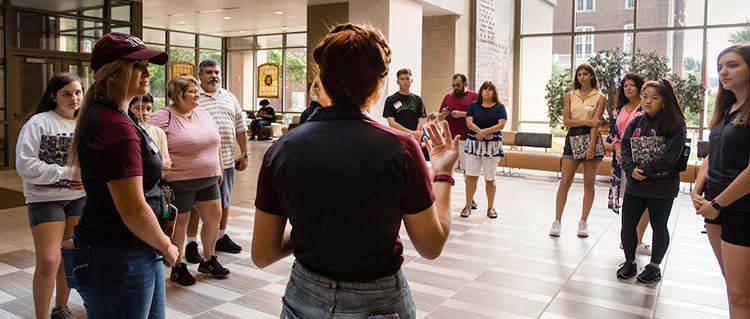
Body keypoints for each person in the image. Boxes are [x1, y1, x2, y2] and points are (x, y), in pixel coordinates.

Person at [251, 23, 459, 318]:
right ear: (377, 86)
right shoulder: (399, 149)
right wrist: (442, 173)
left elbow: (263, 253)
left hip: (304, 297)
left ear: (322, 80)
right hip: (379, 302)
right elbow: (431, 245)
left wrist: (314, 233)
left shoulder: (282, 149)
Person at [69, 32, 178, 318]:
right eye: (137, 66)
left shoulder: (122, 115)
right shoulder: (115, 128)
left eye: (146, 66)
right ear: (113, 74)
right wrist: (165, 245)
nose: (146, 72)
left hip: (137, 247)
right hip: (118, 254)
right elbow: (131, 209)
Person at [15, 73, 86, 319]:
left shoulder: (85, 123)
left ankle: (61, 307)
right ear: (53, 96)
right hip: (45, 199)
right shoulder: (38, 123)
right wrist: (66, 173)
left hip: (79, 198)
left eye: (77, 93)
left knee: (69, 257)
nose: (73, 98)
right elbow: (25, 165)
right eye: (66, 93)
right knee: (48, 260)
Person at [148, 76, 230, 285]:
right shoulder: (163, 115)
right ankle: (177, 265)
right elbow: (150, 142)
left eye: (197, 91)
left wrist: (219, 166)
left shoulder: (202, 113)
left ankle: (208, 259)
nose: (197, 95)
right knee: (179, 224)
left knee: (214, 217)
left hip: (208, 178)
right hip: (177, 181)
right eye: (192, 92)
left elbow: (216, 140)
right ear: (178, 94)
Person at [692, 44, 750, 318]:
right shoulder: (726, 110)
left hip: (740, 208)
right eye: (720, 67)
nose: (723, 72)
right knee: (734, 287)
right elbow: (711, 157)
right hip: (714, 208)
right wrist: (697, 189)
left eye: (732, 65)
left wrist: (717, 203)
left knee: (741, 293)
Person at [616, 79, 686, 283]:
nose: (648, 102)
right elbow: (626, 146)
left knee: (659, 224)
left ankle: (654, 266)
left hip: (662, 187)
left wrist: (646, 170)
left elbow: (669, 157)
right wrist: (630, 169)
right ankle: (629, 261)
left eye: (654, 98)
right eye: (645, 97)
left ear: (664, 100)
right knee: (627, 225)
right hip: (636, 185)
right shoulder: (636, 121)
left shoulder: (674, 125)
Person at [183, 59, 249, 264]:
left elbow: (240, 126)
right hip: (201, 164)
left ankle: (221, 237)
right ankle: (191, 243)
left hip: (227, 160)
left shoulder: (229, 97)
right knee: (196, 207)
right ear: (200, 75)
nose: (214, 76)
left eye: (217, 72)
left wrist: (245, 153)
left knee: (224, 202)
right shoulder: (193, 97)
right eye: (209, 72)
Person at [550, 63, 606, 238]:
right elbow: (567, 121)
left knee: (589, 184)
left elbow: (595, 124)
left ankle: (583, 222)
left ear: (591, 76)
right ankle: (557, 221)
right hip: (572, 138)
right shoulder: (570, 95)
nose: (582, 77)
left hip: (591, 139)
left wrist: (590, 147)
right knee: (565, 181)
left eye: (585, 74)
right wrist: (587, 122)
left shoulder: (600, 97)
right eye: (579, 74)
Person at [607, 73, 652, 256]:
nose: (628, 88)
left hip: (640, 159)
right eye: (625, 85)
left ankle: (637, 238)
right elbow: (613, 133)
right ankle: (629, 238)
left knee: (645, 200)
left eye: (632, 85)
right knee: (628, 199)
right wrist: (618, 149)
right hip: (621, 160)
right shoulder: (619, 109)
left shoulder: (645, 108)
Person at [460, 81, 507, 219]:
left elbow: (502, 124)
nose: (487, 92)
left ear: (494, 92)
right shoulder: (474, 106)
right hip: (474, 144)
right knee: (471, 176)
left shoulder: (500, 107)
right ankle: (467, 206)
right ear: (481, 91)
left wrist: (485, 132)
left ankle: (490, 208)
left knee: (490, 178)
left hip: (492, 146)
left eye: (490, 89)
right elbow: (469, 122)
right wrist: (480, 132)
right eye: (484, 89)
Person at [440, 73, 479, 210]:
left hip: (466, 139)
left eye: (458, 85)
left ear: (465, 85)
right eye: (453, 85)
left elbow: (479, 115)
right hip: (449, 140)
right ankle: (443, 197)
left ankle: (470, 198)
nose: (455, 88)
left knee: (468, 170)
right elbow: (439, 116)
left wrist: (462, 114)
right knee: (446, 169)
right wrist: (444, 113)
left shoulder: (473, 97)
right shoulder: (447, 97)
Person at [129, 93, 172, 175]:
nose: (144, 113)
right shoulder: (128, 132)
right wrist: (159, 165)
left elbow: (167, 166)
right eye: (139, 108)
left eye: (148, 109)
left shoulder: (159, 132)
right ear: (129, 109)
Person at [383, 68, 427, 140]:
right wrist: (411, 133)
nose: (405, 81)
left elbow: (421, 119)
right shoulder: (390, 100)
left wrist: (418, 133)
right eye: (402, 79)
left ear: (411, 80)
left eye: (407, 78)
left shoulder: (418, 99)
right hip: (398, 138)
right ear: (398, 81)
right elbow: (392, 123)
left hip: (415, 139)